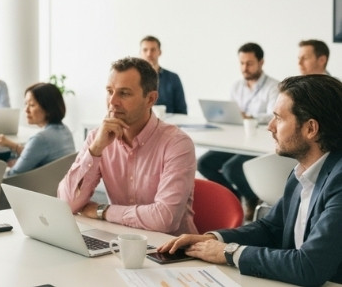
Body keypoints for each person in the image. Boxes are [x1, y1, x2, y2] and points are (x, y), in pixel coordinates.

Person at [160, 75, 342, 286]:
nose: (270, 126)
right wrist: (213, 239)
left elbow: (309, 266)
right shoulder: (301, 172)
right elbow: (269, 227)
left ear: (310, 129)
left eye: (279, 118)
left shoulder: (338, 181)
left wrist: (230, 253)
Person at [57, 57, 197, 236]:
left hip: (170, 248)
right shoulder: (97, 137)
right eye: (109, 91)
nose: (112, 101)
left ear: (150, 99)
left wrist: (103, 211)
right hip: (118, 240)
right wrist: (96, 149)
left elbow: (164, 219)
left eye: (124, 93)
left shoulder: (177, 144)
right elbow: (66, 204)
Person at [197, 42, 279, 220]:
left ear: (261, 62)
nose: (244, 68)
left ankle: (251, 196)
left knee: (231, 168)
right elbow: (232, 114)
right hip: (237, 140)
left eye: (249, 63)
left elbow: (273, 116)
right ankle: (234, 198)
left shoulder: (274, 87)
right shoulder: (237, 86)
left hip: (259, 143)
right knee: (203, 163)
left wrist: (249, 116)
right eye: (242, 63)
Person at [0, 82, 76, 177]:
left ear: (48, 109)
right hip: (56, 184)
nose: (26, 110)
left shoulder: (40, 138)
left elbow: (13, 175)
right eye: (26, 104)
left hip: (30, 185)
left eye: (32, 105)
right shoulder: (66, 131)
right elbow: (36, 153)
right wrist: (13, 146)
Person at [139, 35, 187, 114]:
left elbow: (181, 110)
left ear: (159, 52)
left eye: (153, 50)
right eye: (145, 50)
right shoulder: (132, 79)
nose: (149, 54)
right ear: (140, 53)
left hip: (167, 121)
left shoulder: (173, 78)